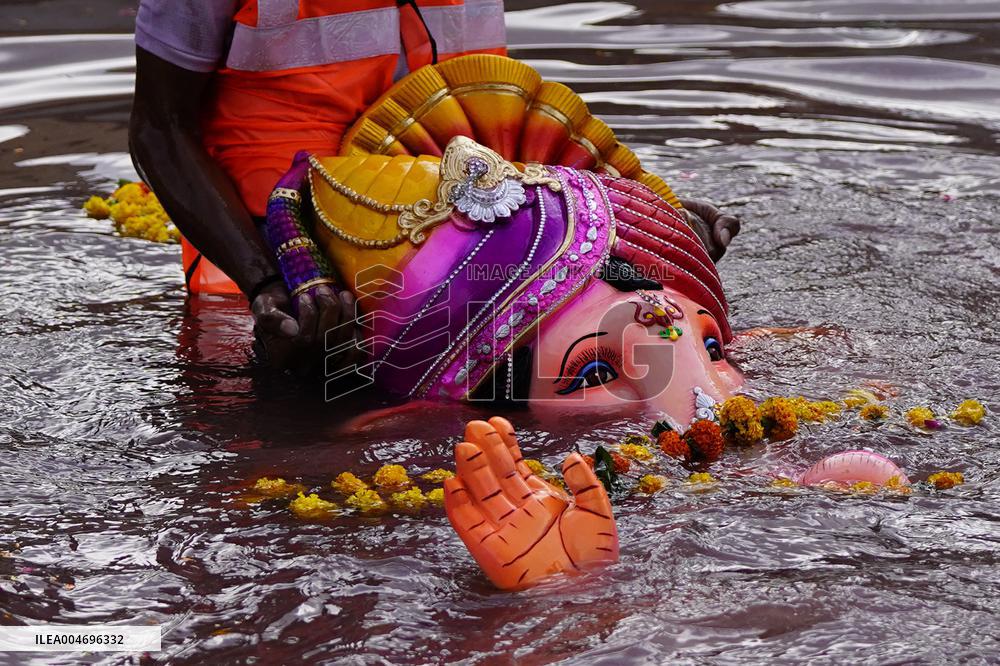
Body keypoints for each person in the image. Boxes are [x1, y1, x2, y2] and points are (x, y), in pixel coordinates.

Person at [128, 1, 740, 374]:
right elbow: (158, 130)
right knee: (290, 455)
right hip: (269, 282)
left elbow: (493, 131)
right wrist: (265, 283)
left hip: (470, 260)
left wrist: (633, 218)